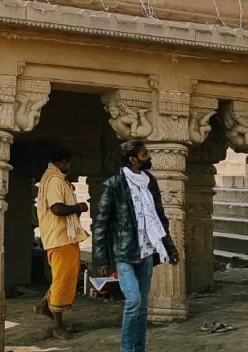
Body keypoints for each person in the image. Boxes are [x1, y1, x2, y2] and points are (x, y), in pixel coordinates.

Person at [93, 140, 180, 352]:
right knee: (133, 300)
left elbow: (159, 217)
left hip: (147, 251)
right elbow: (101, 224)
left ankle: (139, 349)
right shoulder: (114, 185)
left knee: (142, 306)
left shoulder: (150, 181)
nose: (148, 157)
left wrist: (169, 247)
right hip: (125, 253)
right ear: (133, 160)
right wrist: (101, 259)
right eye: (144, 155)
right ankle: (126, 349)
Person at [34, 145, 89, 340]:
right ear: (65, 161)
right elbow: (57, 208)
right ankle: (58, 326)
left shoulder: (53, 178)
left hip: (63, 237)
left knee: (63, 277)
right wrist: (79, 207)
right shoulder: (55, 180)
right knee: (63, 280)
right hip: (60, 237)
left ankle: (44, 306)